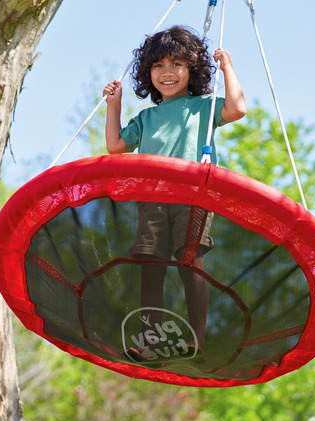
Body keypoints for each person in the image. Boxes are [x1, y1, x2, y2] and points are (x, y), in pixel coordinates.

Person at [104, 25, 246, 361]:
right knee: (150, 266)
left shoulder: (203, 107)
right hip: (151, 198)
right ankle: (149, 338)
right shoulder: (147, 117)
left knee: (189, 261)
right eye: (158, 66)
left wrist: (227, 67)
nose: (167, 73)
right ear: (148, 73)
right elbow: (115, 146)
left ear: (192, 70)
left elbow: (237, 108)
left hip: (192, 195)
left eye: (176, 64)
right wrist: (114, 104)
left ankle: (196, 335)